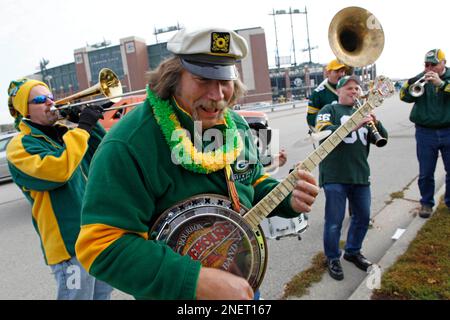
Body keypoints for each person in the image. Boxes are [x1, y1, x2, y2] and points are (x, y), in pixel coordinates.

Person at [75, 27, 319, 300]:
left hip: (241, 283)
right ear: (173, 77)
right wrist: (195, 280)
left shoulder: (234, 125)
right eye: (203, 79)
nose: (217, 95)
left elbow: (253, 182)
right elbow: (101, 245)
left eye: (224, 80)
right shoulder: (129, 143)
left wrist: (288, 198)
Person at [6, 79, 113, 300]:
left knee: (102, 296)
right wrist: (82, 128)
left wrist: (91, 126)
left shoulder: (65, 133)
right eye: (39, 99)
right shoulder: (21, 146)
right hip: (68, 247)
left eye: (50, 97)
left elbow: (105, 155)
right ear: (24, 110)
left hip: (94, 238)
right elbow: (59, 171)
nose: (50, 103)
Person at [315, 75, 388, 281]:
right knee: (334, 222)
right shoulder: (328, 110)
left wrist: (376, 122)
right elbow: (322, 134)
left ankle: (353, 251)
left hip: (360, 175)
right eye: (348, 88)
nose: (354, 91)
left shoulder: (362, 111)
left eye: (357, 88)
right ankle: (332, 257)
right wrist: (352, 125)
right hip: (335, 175)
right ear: (338, 91)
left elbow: (381, 138)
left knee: (363, 217)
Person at [400, 48, 450, 218]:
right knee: (426, 172)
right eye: (427, 65)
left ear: (443, 63)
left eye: (433, 65)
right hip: (425, 132)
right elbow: (403, 96)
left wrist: (441, 84)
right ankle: (426, 203)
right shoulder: (420, 78)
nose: (430, 68)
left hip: (448, 130)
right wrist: (413, 82)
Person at [306, 59, 348, 132]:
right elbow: (311, 118)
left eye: (342, 71)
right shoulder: (318, 93)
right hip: (331, 135)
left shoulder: (351, 89)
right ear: (327, 73)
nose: (341, 74)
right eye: (336, 71)